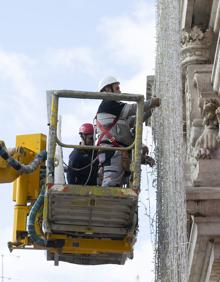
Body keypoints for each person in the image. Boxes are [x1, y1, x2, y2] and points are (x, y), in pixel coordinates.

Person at [96, 76, 160, 187]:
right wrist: (151, 103)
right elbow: (133, 109)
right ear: (107, 90)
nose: (120, 91)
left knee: (116, 187)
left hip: (117, 152)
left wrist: (150, 111)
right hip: (113, 152)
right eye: (116, 88)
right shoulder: (108, 104)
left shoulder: (114, 112)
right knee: (110, 187)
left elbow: (134, 121)